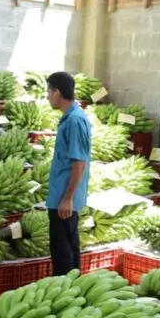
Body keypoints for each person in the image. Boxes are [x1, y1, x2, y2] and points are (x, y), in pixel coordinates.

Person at [45, 71, 91, 276]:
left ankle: (64, 290)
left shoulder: (75, 120)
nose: (47, 96)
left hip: (64, 198)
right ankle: (71, 288)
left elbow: (79, 162)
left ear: (57, 92)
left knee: (63, 249)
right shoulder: (70, 118)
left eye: (48, 91)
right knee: (66, 246)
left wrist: (67, 198)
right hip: (61, 195)